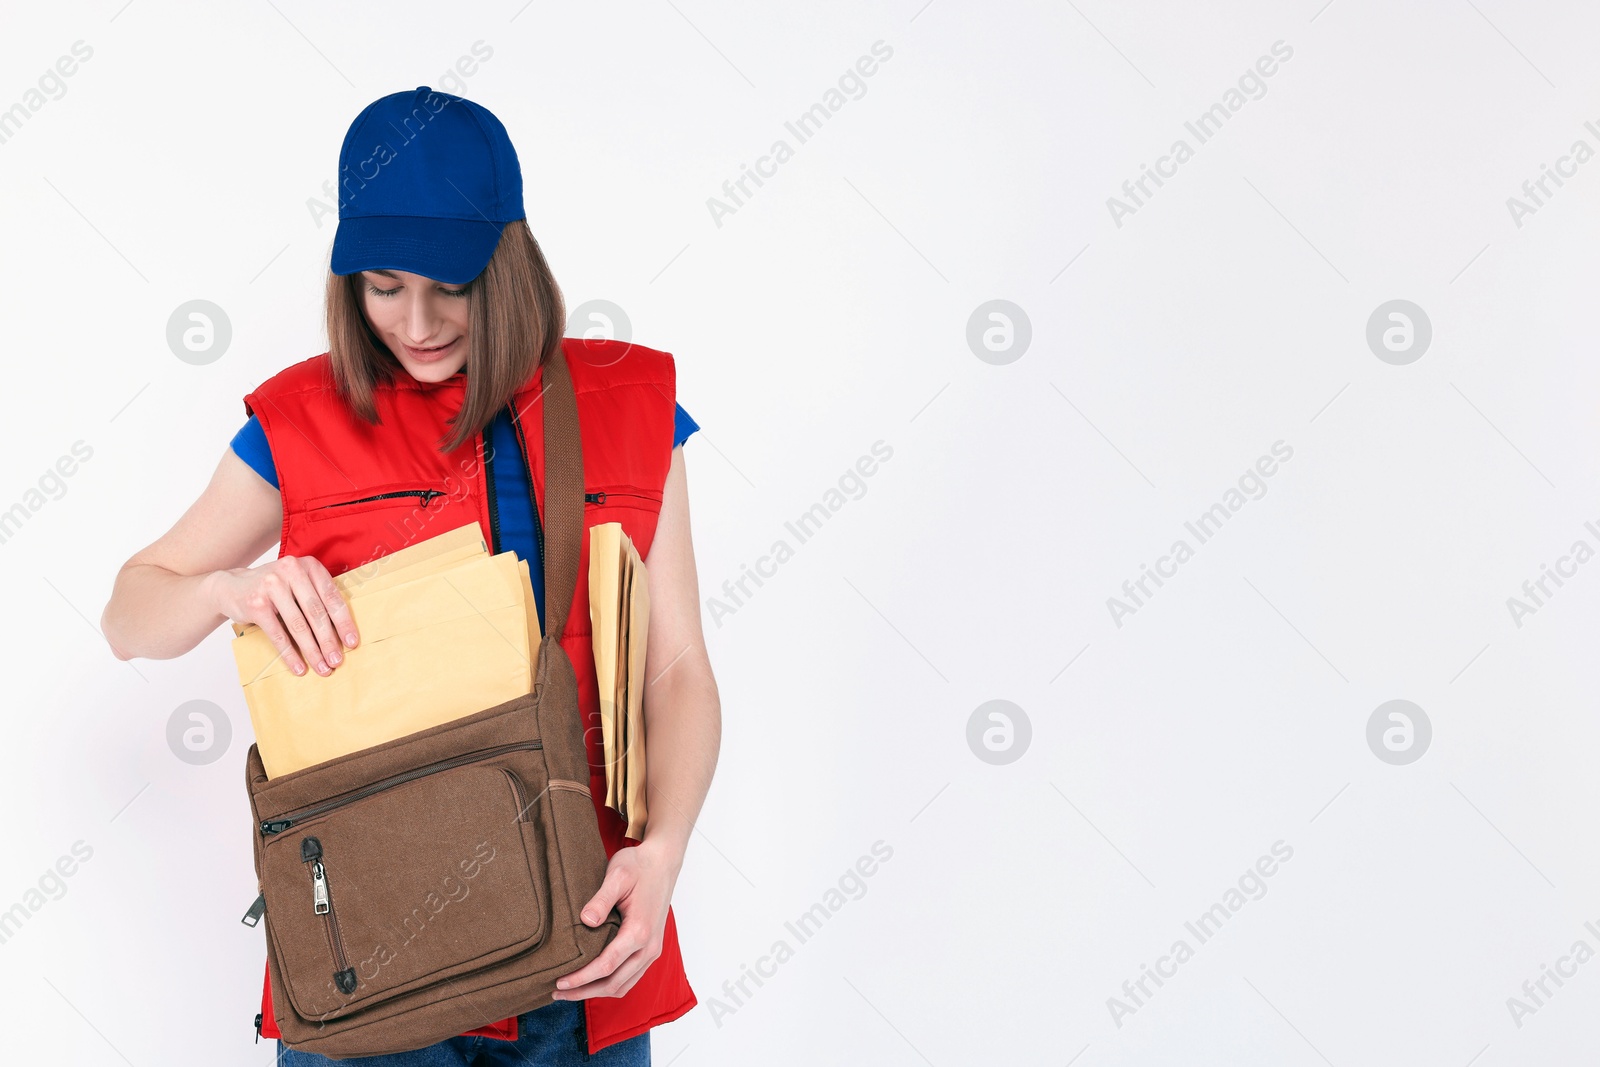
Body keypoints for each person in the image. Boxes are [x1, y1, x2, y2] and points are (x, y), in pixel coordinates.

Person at [100, 86, 720, 1065]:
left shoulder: (630, 406)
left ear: (507, 262)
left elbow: (676, 664)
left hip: (584, 952)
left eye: (452, 285)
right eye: (384, 284)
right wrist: (232, 590)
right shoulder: (297, 421)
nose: (418, 321)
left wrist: (667, 847)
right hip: (369, 959)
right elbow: (130, 613)